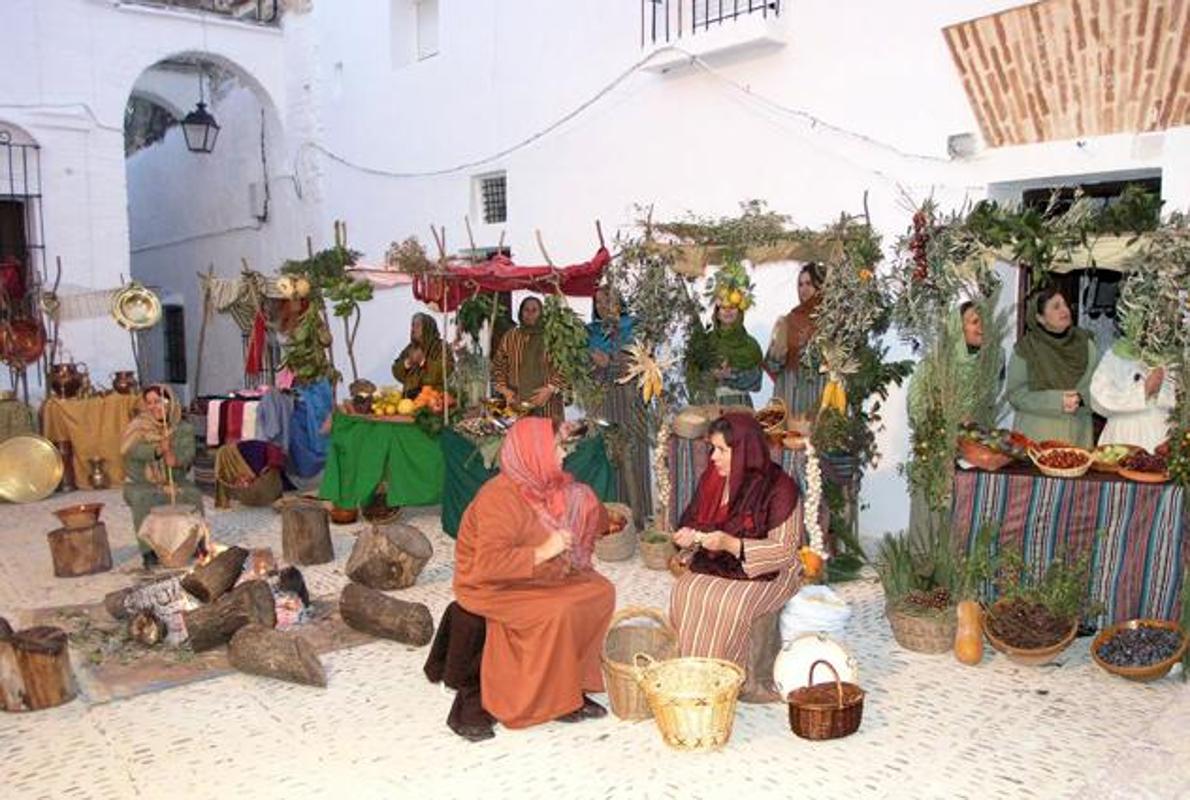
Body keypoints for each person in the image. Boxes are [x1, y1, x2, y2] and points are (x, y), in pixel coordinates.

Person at [453, 417, 615, 729]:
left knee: (600, 591)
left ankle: (573, 684)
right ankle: (552, 701)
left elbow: (584, 515)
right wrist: (544, 551)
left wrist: (585, 512)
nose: (563, 455)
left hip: (537, 573)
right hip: (489, 585)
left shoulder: (543, 484)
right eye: (557, 448)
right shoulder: (498, 498)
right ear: (533, 453)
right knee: (557, 609)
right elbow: (487, 565)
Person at [669, 414, 803, 686]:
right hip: (722, 562)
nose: (713, 458)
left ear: (744, 450)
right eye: (712, 449)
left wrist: (731, 544)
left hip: (772, 570)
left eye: (721, 450)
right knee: (686, 590)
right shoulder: (715, 480)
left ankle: (721, 681)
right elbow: (698, 522)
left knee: (728, 602)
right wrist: (691, 538)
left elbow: (785, 550)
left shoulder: (781, 488)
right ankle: (690, 673)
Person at [121, 384, 204, 569]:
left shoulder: (183, 428)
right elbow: (131, 451)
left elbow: (187, 454)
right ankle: (148, 551)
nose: (153, 407)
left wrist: (173, 458)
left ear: (170, 402)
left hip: (175, 479)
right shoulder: (139, 426)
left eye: (158, 401)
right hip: (141, 482)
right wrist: (158, 449)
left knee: (192, 496)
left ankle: (198, 544)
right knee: (144, 499)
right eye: (149, 403)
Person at [588, 285, 651, 525]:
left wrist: (611, 362)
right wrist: (594, 366)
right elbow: (584, 368)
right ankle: (613, 518)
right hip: (603, 401)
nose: (603, 306)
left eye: (608, 301)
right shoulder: (591, 333)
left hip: (630, 400)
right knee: (608, 456)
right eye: (598, 302)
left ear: (620, 301)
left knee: (634, 456)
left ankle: (637, 516)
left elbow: (643, 362)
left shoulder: (634, 328)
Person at [1005, 287, 1098, 448]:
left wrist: (1081, 399)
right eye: (1056, 306)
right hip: (1036, 439)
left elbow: (1099, 389)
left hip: (1077, 439)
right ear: (1040, 318)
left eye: (1065, 305)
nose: (1065, 310)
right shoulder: (1026, 349)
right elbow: (1016, 395)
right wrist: (1057, 401)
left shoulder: (1086, 344)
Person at [1090, 341, 1177, 451]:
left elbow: (1180, 398)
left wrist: (1161, 390)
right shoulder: (1116, 354)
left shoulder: (1171, 356)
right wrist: (1143, 392)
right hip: (1121, 433)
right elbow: (1097, 398)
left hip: (1160, 431)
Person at [491, 296, 566, 423]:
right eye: (526, 310)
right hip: (516, 404)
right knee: (520, 440)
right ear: (520, 312)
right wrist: (505, 390)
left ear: (541, 312)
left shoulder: (553, 336)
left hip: (548, 404)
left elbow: (565, 367)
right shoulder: (510, 337)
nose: (530, 314)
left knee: (548, 440)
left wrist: (550, 388)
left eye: (534, 310)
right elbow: (498, 366)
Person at [765, 263, 826, 416]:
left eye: (809, 284)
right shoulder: (787, 321)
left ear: (820, 286)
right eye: (800, 284)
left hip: (818, 394)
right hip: (789, 396)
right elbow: (772, 367)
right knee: (790, 437)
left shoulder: (830, 322)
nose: (803, 289)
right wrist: (777, 351)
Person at [706, 303, 763, 408]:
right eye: (723, 307)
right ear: (717, 313)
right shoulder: (705, 342)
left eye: (732, 307)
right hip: (711, 409)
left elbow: (757, 383)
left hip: (742, 408)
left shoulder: (750, 344)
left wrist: (732, 375)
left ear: (740, 312)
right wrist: (712, 375)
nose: (728, 311)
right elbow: (693, 378)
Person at [392, 312, 450, 398]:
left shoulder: (441, 347)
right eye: (413, 325)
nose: (413, 329)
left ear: (427, 328)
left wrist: (423, 361)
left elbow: (446, 370)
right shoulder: (410, 348)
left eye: (417, 326)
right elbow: (396, 370)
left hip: (433, 399)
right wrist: (407, 363)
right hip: (408, 401)